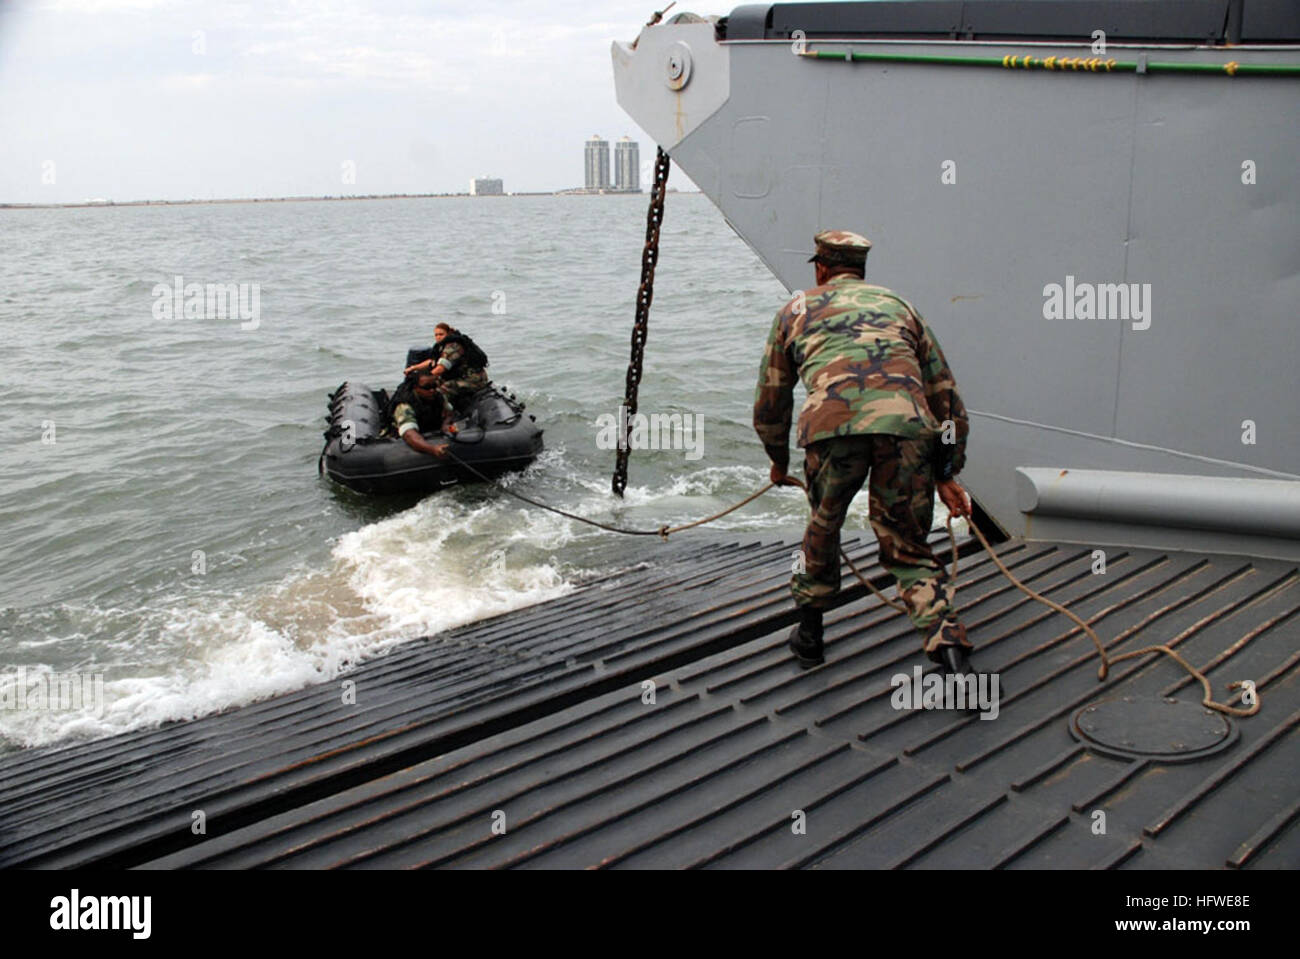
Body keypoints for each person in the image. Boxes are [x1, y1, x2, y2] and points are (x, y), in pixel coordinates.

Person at [753, 230, 975, 673]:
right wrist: (947, 473)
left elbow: (771, 400)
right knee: (908, 546)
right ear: (861, 269)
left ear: (820, 267)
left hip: (831, 427)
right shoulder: (900, 306)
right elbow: (945, 396)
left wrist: (778, 461)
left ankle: (811, 637)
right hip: (907, 428)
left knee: (824, 526)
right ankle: (951, 655)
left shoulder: (794, 310)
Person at [403, 323, 490, 429]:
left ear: (448, 333)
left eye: (441, 334)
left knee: (442, 389)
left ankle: (446, 418)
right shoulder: (443, 345)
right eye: (436, 335)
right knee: (437, 383)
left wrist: (424, 381)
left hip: (473, 379)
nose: (438, 337)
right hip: (461, 376)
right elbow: (432, 362)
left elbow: (440, 369)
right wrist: (414, 368)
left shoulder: (453, 346)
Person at [388, 372, 451, 459]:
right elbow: (409, 434)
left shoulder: (438, 396)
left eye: (434, 386)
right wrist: (433, 449)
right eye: (427, 387)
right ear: (415, 388)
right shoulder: (405, 406)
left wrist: (445, 423)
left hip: (431, 430)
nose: (432, 390)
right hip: (405, 437)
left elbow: (449, 413)